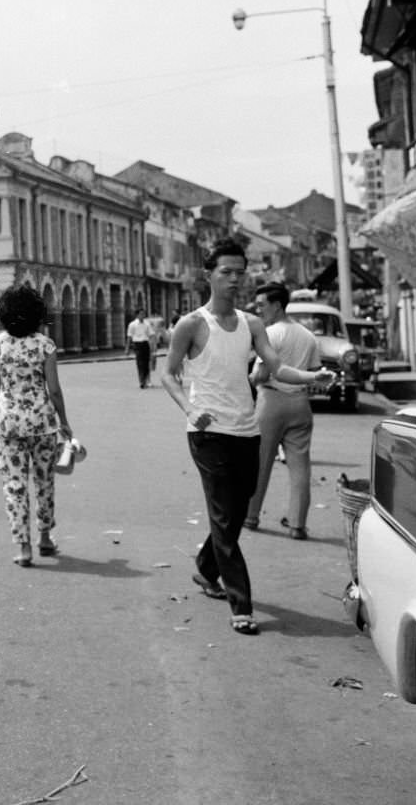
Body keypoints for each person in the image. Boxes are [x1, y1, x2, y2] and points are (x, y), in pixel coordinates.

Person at [161, 237, 333, 636]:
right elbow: (167, 374)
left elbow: (275, 368)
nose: (235, 279)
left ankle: (205, 570)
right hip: (208, 435)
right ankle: (241, 604)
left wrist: (312, 377)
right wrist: (189, 409)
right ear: (209, 275)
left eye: (241, 272)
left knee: (235, 514)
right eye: (227, 272)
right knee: (225, 517)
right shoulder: (191, 324)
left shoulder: (252, 324)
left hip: (247, 431)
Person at [0, 284, 72, 567]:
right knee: (44, 480)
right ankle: (44, 538)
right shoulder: (44, 344)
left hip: (7, 421)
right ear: (36, 313)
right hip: (42, 421)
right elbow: (55, 389)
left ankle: (23, 548)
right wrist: (65, 422)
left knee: (14, 484)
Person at [244, 282, 321, 540]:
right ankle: (298, 524)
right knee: (300, 466)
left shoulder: (270, 334)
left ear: (276, 305)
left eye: (261, 305)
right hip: (300, 404)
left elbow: (261, 374)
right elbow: (313, 372)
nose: (258, 310)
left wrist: (253, 377)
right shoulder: (308, 336)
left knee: (259, 461)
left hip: (272, 401)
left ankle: (251, 516)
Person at [126, 308, 154, 387]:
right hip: (137, 345)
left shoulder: (147, 324)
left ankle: (147, 379)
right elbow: (129, 337)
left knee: (146, 363)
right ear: (137, 315)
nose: (143, 315)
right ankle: (141, 381)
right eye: (141, 314)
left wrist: (153, 346)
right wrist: (127, 348)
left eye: (144, 314)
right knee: (140, 363)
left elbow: (151, 335)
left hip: (145, 344)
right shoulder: (132, 324)